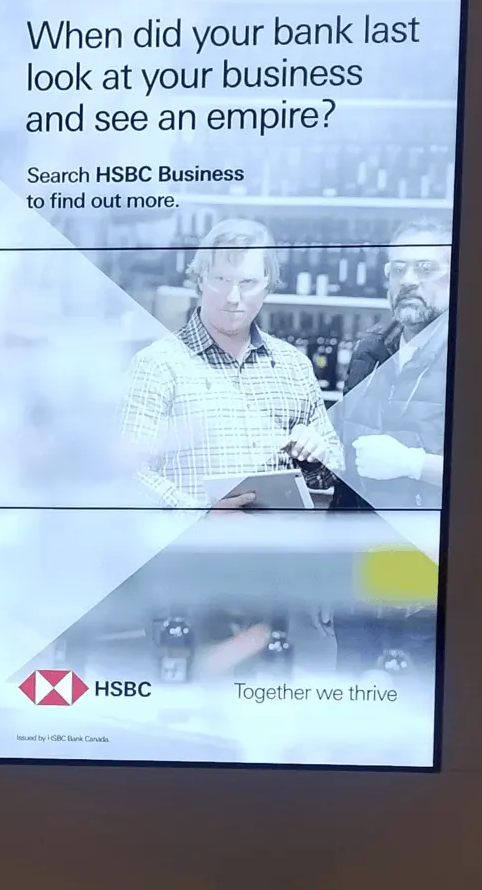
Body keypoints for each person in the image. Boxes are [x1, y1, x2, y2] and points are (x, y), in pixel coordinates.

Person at [120, 218, 343, 509]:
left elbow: (332, 475)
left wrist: (316, 457)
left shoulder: (294, 366)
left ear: (268, 286)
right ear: (200, 279)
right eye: (221, 280)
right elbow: (125, 472)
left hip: (277, 548)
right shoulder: (156, 365)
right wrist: (199, 516)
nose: (233, 297)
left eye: (247, 283)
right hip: (193, 549)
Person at [329, 218, 452, 678]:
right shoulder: (370, 350)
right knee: (351, 709)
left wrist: (413, 464)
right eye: (398, 269)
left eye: (425, 267)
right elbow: (348, 473)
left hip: (430, 585)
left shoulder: (479, 351)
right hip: (359, 576)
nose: (409, 281)